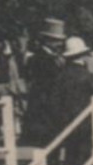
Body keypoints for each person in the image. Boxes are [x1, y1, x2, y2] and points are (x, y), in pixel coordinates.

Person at [56, 36, 93, 165]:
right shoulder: (86, 75)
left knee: (70, 151)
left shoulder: (61, 75)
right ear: (82, 55)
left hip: (66, 118)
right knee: (83, 152)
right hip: (84, 118)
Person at [20, 18, 67, 149]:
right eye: (56, 40)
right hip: (44, 101)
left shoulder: (56, 57)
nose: (59, 44)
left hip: (52, 100)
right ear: (47, 40)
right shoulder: (39, 58)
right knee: (46, 138)